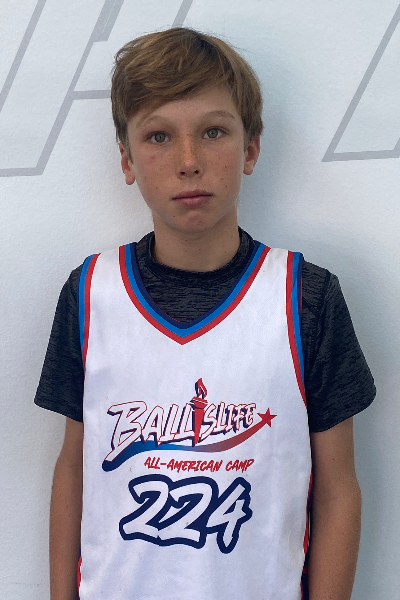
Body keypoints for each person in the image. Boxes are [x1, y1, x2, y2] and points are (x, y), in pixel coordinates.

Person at [35, 27, 375, 600]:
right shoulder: (91, 292)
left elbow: (338, 490)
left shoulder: (305, 297)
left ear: (250, 148)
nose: (188, 161)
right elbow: (75, 468)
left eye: (213, 132)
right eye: (159, 136)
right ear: (127, 159)